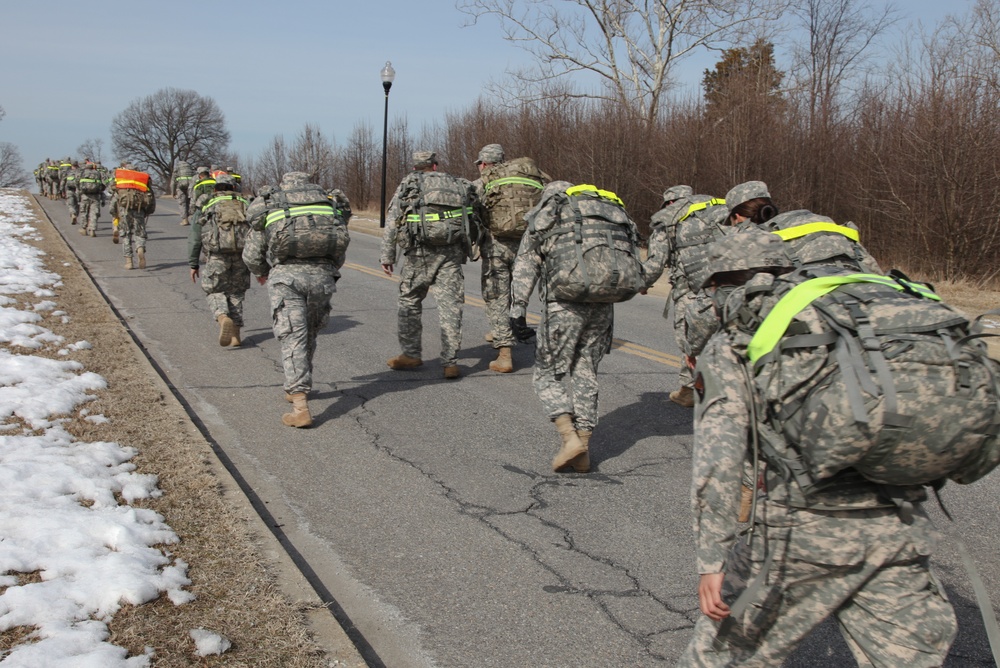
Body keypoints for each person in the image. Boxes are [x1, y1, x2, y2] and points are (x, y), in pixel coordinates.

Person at [677, 232, 957, 667]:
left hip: (801, 533)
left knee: (720, 657)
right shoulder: (853, 320)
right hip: (898, 528)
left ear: (720, 286)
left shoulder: (741, 337)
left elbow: (719, 460)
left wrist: (712, 559)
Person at [511, 181, 644, 473]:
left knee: (547, 373)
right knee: (585, 371)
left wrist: (517, 308)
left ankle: (569, 438)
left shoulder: (552, 209)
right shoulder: (609, 210)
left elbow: (527, 261)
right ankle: (584, 447)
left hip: (564, 303)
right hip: (603, 302)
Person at [243, 171, 350, 427]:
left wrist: (263, 272)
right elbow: (339, 245)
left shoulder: (274, 204)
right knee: (309, 332)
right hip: (323, 277)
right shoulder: (326, 204)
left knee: (292, 335)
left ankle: (299, 403)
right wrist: (328, 269)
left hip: (286, 277)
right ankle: (298, 385)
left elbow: (252, 253)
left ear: (286, 184)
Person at [380, 150, 480, 379]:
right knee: (451, 306)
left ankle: (411, 353)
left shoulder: (410, 184)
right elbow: (474, 216)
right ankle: (450, 362)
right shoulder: (456, 183)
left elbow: (394, 220)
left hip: (419, 254)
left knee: (410, 300)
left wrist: (387, 256)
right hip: (452, 254)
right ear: (435, 166)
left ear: (415, 166)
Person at [642, 185, 730, 408]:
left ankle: (690, 389)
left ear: (670, 203)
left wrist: (641, 284)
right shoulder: (719, 211)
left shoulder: (670, 219)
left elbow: (655, 264)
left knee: (689, 340)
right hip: (732, 286)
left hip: (691, 291)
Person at [473, 143, 549, 373]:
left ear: (484, 164)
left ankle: (504, 354)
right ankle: (509, 329)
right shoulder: (532, 179)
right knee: (520, 292)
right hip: (528, 244)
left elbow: (472, 209)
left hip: (496, 243)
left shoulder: (484, 181)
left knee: (497, 293)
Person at [189, 174, 251, 347]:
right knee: (237, 293)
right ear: (234, 188)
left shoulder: (207, 204)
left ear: (216, 188)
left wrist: (193, 263)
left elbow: (195, 237)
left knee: (214, 290)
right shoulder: (245, 204)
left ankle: (222, 316)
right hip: (241, 255)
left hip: (217, 255)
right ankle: (236, 334)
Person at [109, 163, 155, 270]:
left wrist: (113, 212)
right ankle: (140, 248)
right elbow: (151, 198)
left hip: (124, 210)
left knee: (126, 235)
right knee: (140, 233)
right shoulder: (142, 179)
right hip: (139, 210)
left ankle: (129, 261)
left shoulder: (121, 180)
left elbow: (115, 199)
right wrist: (148, 211)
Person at [76, 160, 105, 238]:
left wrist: (79, 192)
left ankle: (84, 229)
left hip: (85, 195)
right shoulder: (97, 173)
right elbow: (103, 184)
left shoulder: (82, 173)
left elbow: (77, 183)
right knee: (94, 213)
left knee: (84, 212)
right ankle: (92, 230)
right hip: (95, 196)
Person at [173, 160, 194, 226]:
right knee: (189, 201)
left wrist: (173, 192)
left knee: (182, 203)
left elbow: (173, 182)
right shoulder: (190, 168)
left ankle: (185, 220)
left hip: (180, 187)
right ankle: (192, 217)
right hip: (190, 186)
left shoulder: (177, 169)